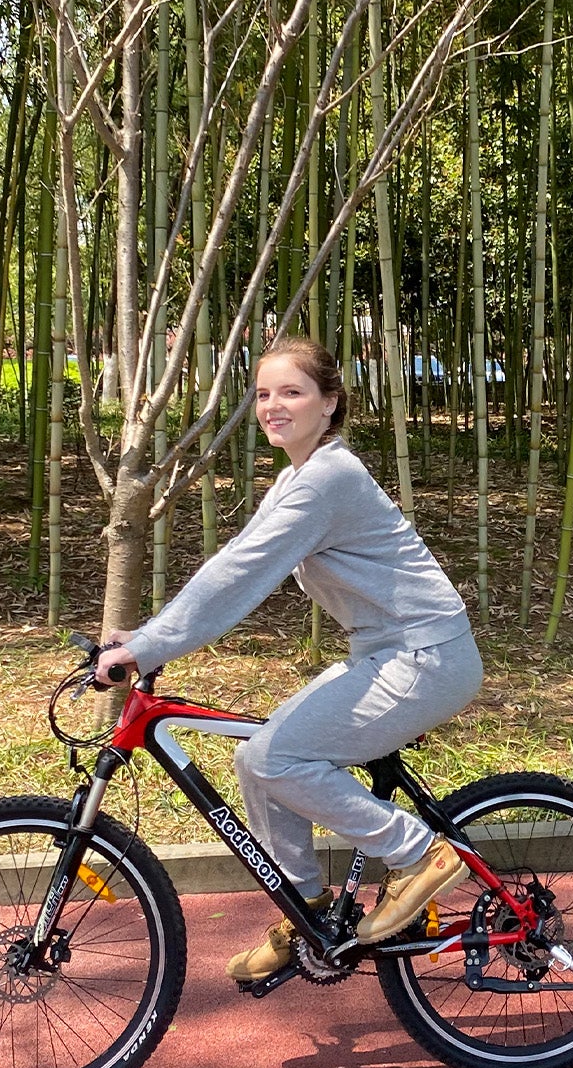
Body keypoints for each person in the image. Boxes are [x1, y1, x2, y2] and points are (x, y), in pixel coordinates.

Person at [94, 338, 483, 980]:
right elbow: (235, 560)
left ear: (330, 404)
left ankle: (417, 852)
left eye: (292, 392)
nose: (273, 406)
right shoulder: (295, 478)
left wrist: (147, 646)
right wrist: (148, 634)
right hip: (388, 653)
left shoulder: (330, 478)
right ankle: (304, 905)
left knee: (280, 757)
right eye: (263, 394)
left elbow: (241, 574)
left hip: (426, 656)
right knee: (257, 757)